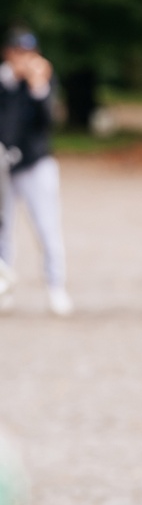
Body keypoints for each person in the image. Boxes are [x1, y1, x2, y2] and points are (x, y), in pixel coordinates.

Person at [0, 28, 73, 316]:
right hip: (4, 165)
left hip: (35, 163)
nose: (23, 58)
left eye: (28, 53)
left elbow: (48, 121)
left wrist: (37, 87)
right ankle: (4, 286)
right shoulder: (4, 81)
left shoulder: (42, 80)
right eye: (18, 52)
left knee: (47, 227)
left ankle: (56, 287)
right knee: (3, 230)